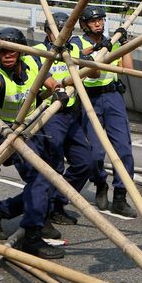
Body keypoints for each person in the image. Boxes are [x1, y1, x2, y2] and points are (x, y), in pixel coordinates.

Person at [0, 27, 69, 259]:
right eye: (1, 52)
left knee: (53, 175)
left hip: (36, 128)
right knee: (38, 180)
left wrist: (57, 89)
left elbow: (47, 79)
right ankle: (32, 234)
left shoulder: (32, 62)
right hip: (12, 136)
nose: (7, 55)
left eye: (12, 51)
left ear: (20, 52)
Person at [76, 5, 138, 218]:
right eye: (93, 21)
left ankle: (120, 196)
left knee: (124, 150)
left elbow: (128, 70)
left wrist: (123, 45)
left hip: (113, 98)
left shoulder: (109, 42)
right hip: (90, 98)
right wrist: (98, 50)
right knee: (94, 153)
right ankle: (100, 182)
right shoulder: (80, 43)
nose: (98, 23)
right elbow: (92, 74)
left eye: (100, 19)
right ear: (84, 24)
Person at [32, 12, 93, 226]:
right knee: (53, 165)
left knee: (86, 161)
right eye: (56, 32)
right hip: (51, 115)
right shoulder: (37, 52)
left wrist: (90, 60)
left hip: (72, 114)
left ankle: (58, 202)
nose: (61, 37)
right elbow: (44, 77)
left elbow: (92, 74)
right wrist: (56, 86)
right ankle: (44, 212)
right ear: (47, 32)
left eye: (65, 33)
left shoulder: (73, 49)